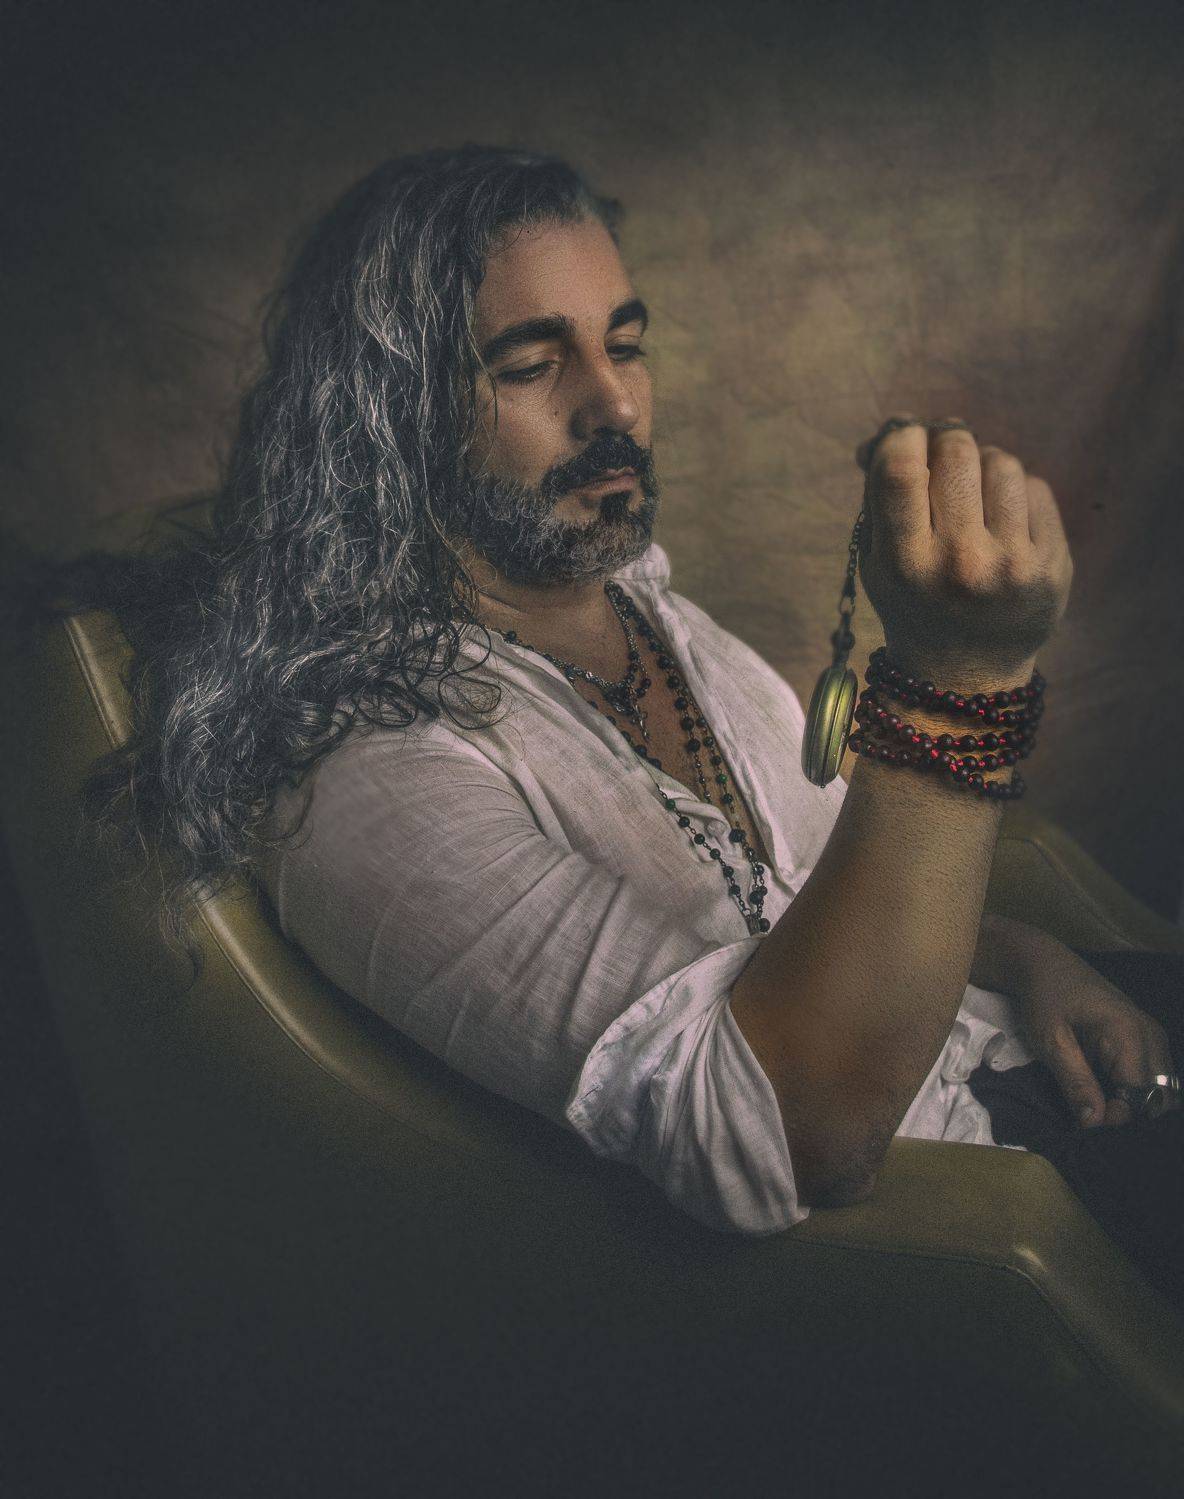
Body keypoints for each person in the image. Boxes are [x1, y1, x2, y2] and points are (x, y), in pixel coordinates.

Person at [45, 145, 1183, 1304]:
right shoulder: (364, 765)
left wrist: (1026, 958)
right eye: (531, 364)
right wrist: (952, 690)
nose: (615, 403)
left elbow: (809, 902)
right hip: (977, 1222)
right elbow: (790, 1135)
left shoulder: (643, 611)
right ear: (387, 417)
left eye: (623, 345)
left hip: (1026, 1049)